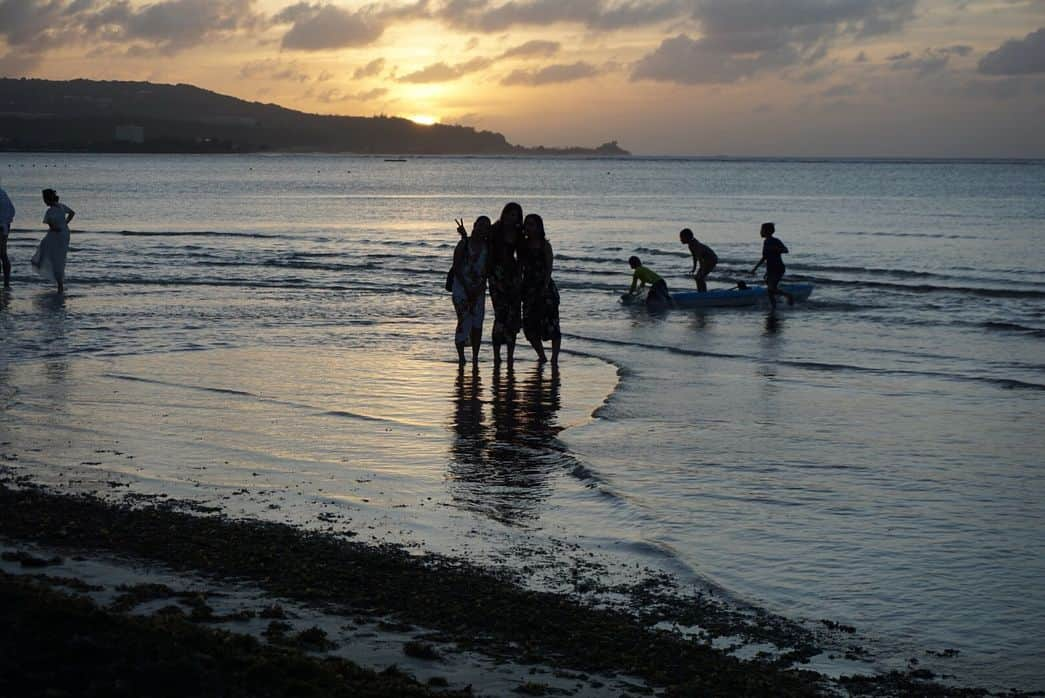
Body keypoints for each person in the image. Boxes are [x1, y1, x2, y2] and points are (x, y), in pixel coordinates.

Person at [520, 213, 561, 365]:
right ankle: (541, 355)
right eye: (527, 224)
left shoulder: (545, 245)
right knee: (529, 326)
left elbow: (549, 268)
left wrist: (543, 287)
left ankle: (554, 358)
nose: (529, 227)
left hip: (545, 289)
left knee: (552, 324)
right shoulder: (523, 246)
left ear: (539, 227)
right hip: (528, 289)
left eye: (532, 224)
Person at [451, 215, 491, 365]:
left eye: (486, 227)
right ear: (474, 225)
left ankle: (475, 357)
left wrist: (479, 288)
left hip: (479, 290)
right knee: (464, 321)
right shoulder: (464, 244)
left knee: (477, 325)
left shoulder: (488, 247)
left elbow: (487, 270)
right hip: (461, 289)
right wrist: (467, 288)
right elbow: (456, 267)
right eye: (480, 225)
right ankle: (462, 357)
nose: (482, 229)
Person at [488, 202, 524, 367]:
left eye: (515, 215)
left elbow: (522, 256)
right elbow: (484, 246)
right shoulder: (495, 229)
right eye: (509, 213)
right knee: (500, 315)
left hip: (513, 276)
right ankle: (496, 355)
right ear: (504, 214)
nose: (511, 217)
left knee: (513, 316)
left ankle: (510, 354)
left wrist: (520, 275)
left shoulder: (518, 233)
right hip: (497, 275)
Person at [32, 189, 75, 294]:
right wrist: (65, 223)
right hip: (64, 232)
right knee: (58, 256)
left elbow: (51, 224)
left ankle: (39, 263)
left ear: (47, 199)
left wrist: (57, 227)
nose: (44, 201)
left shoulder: (50, 211)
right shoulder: (61, 206)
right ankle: (59, 283)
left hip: (56, 234)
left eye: (44, 199)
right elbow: (72, 213)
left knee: (50, 252)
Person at [751, 222, 794, 308]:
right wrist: (754, 269)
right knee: (770, 291)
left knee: (771, 289)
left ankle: (789, 295)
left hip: (778, 268)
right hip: (770, 269)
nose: (760, 232)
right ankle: (773, 307)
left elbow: (786, 250)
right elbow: (764, 257)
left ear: (767, 231)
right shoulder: (766, 242)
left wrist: (775, 249)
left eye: (761, 230)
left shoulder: (775, 241)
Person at [679, 228, 717, 292]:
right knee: (698, 278)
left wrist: (702, 270)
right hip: (705, 260)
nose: (681, 240)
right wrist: (694, 268)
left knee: (700, 277)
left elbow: (699, 258)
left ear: (687, 237)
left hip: (711, 259)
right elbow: (694, 257)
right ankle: (701, 292)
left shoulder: (695, 245)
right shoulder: (690, 245)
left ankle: (703, 293)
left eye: (682, 238)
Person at [0, 181, 14, 289]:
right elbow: (12, 211)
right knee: (3, 254)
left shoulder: (2, 194)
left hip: (2, 225)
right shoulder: (3, 193)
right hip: (4, 226)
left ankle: (6, 283)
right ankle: (6, 283)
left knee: (3, 254)